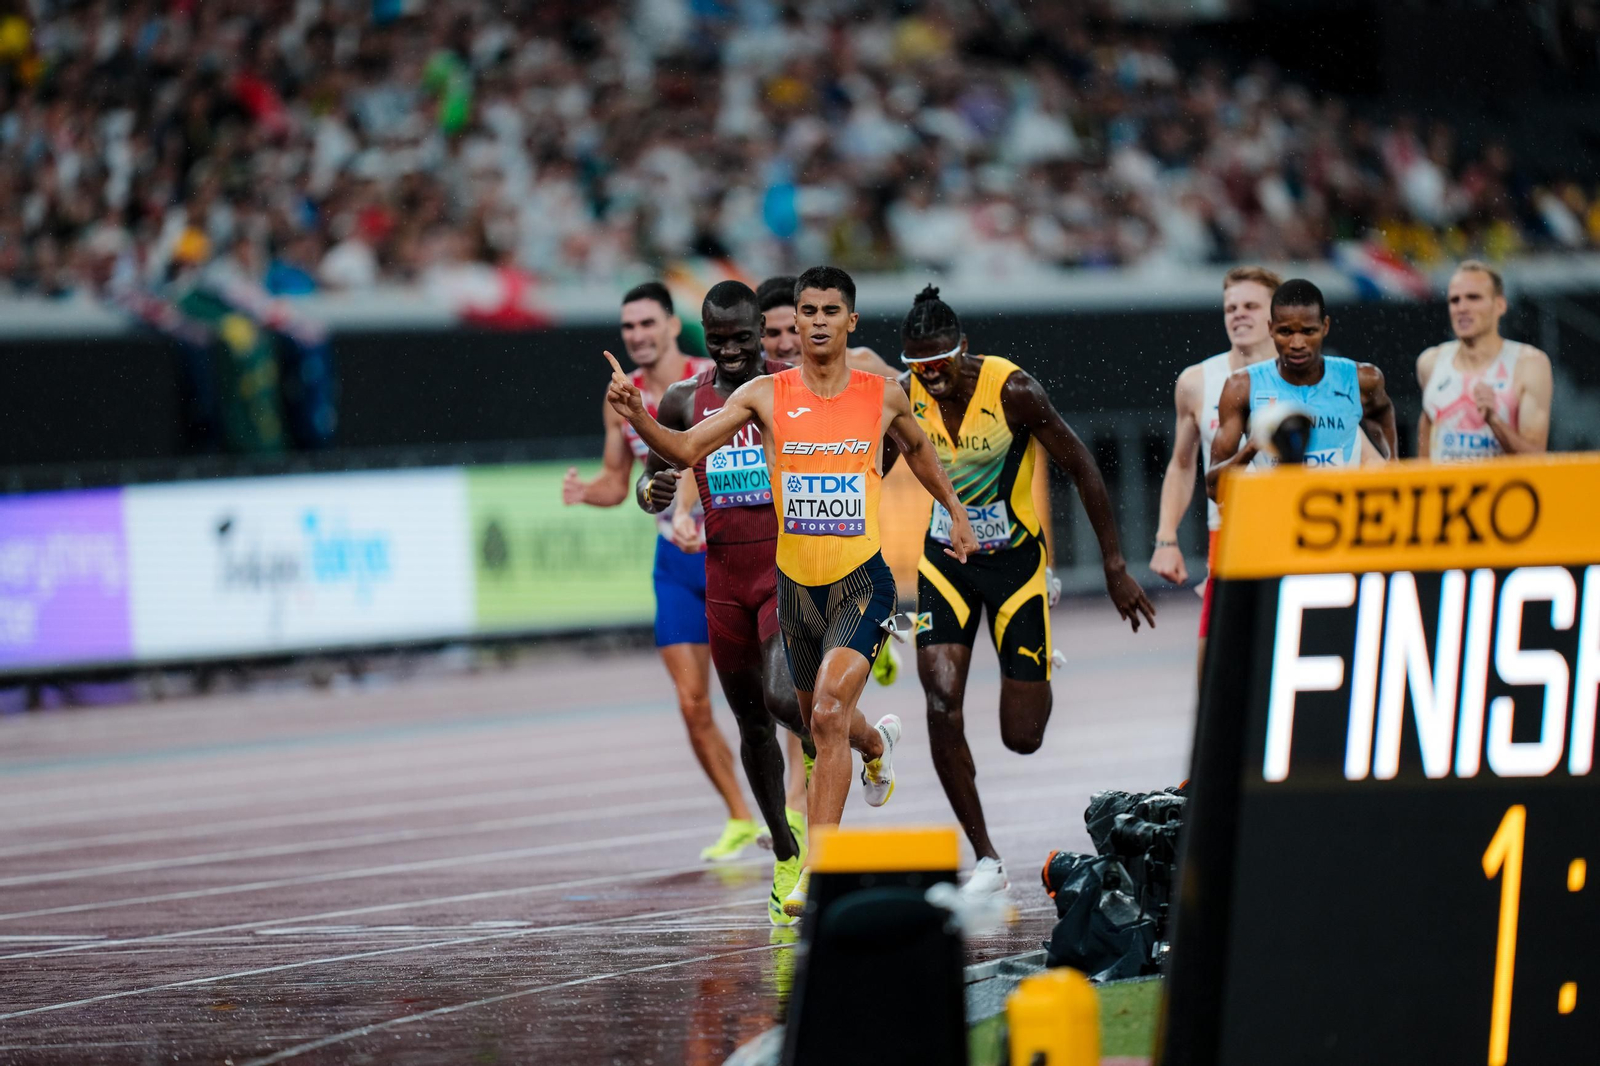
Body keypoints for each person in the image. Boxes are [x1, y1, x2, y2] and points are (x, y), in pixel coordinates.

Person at [604, 265, 979, 918]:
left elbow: (918, 449)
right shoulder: (761, 397)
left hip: (860, 581)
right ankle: (874, 747)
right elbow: (683, 448)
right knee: (808, 719)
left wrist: (958, 512)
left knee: (824, 714)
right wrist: (640, 417)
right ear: (796, 321)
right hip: (788, 582)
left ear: (849, 320)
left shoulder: (880, 390)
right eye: (808, 312)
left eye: (831, 310)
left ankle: (816, 869)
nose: (817, 322)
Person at [896, 286, 1156, 900]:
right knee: (939, 704)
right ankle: (985, 857)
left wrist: (1115, 566)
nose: (930, 377)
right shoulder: (902, 398)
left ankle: (1039, 657)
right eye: (916, 366)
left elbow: (1081, 465)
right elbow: (868, 471)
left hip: (1015, 565)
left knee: (1023, 737)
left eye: (940, 362)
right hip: (946, 563)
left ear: (965, 348)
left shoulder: (1013, 391)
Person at [562, 282, 760, 863]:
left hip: (736, 548)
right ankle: (741, 818)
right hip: (675, 566)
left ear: (674, 326)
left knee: (769, 695)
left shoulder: (713, 376)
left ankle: (794, 805)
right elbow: (621, 483)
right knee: (693, 703)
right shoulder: (618, 395)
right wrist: (585, 493)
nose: (638, 337)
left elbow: (699, 455)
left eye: (648, 324)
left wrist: (685, 507)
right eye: (629, 328)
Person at [634, 281, 810, 925]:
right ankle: (787, 852)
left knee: (783, 698)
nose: (733, 350)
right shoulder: (684, 399)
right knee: (752, 724)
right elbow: (651, 482)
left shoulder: (791, 390)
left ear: (764, 329)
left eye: (745, 337)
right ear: (704, 335)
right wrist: (652, 491)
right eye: (720, 340)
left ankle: (838, 741)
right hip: (723, 578)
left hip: (784, 569)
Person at [1149, 267, 1280, 680]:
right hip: (1231, 539)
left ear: (1276, 315)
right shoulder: (1196, 382)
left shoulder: (1310, 379)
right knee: (1215, 673)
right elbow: (1182, 463)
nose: (1238, 315)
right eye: (1231, 308)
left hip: (1298, 534)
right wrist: (1166, 538)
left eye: (1251, 306)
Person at [1207, 278, 1397, 501]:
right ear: (1270, 328)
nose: (1297, 343)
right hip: (1278, 525)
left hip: (1339, 523)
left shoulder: (1363, 380)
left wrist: (1392, 464)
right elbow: (1214, 490)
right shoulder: (1242, 386)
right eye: (1285, 332)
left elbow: (1382, 412)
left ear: (1325, 327)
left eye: (1308, 331)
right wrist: (1254, 445)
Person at [1417, 260, 1552, 460]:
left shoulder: (1529, 364)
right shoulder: (1430, 362)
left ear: (1500, 305)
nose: (1462, 307)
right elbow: (1425, 448)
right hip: (1448, 490)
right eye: (1455, 300)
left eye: (1473, 298)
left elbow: (1535, 458)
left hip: (1503, 490)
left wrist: (1494, 420)